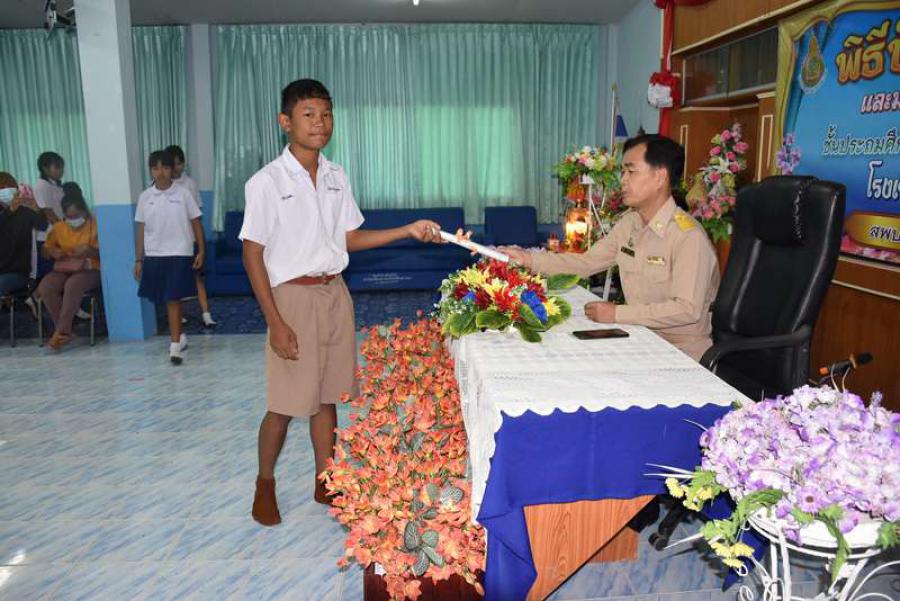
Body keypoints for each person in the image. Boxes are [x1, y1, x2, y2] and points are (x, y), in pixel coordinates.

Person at [240, 78, 446, 526]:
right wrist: (275, 322)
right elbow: (252, 253)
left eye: (326, 114)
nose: (320, 123)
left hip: (334, 293)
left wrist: (406, 230)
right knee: (285, 403)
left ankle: (325, 479)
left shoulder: (336, 176)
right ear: (285, 122)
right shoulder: (267, 182)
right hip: (291, 298)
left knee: (328, 395)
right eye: (308, 115)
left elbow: (349, 238)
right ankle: (264, 484)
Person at [503, 134, 720, 361]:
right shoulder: (629, 224)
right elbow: (586, 263)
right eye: (622, 172)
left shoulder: (688, 237)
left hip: (681, 351)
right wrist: (528, 259)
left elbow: (687, 309)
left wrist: (617, 313)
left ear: (660, 176)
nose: (622, 180)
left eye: (631, 172)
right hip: (640, 338)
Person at [134, 149, 205, 365]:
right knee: (167, 298)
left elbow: (196, 223)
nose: (161, 172)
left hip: (180, 252)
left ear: (171, 169)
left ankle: (174, 347)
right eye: (156, 168)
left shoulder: (183, 193)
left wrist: (201, 250)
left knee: (172, 298)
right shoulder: (145, 197)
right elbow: (141, 229)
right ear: (150, 170)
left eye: (165, 167)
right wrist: (139, 259)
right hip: (155, 254)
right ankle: (179, 336)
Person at [36, 183, 101, 350]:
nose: (73, 221)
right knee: (46, 287)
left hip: (90, 268)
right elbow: (45, 251)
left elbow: (109, 255)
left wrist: (90, 251)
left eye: (76, 216)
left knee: (73, 284)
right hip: (64, 267)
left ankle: (62, 331)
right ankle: (65, 330)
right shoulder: (59, 228)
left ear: (84, 211)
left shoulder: (97, 225)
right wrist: (52, 252)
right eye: (68, 217)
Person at [165, 144, 217, 328]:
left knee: (198, 278)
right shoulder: (161, 186)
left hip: (190, 239)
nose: (177, 168)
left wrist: (200, 245)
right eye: (173, 165)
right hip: (170, 243)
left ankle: (206, 315)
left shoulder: (189, 184)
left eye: (179, 164)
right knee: (174, 281)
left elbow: (197, 214)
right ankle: (178, 315)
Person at [0, 172, 47, 296]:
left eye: (8, 187)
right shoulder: (4, 214)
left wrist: (35, 206)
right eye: (1, 188)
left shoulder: (24, 212)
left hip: (17, 273)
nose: (4, 190)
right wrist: (9, 210)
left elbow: (43, 225)